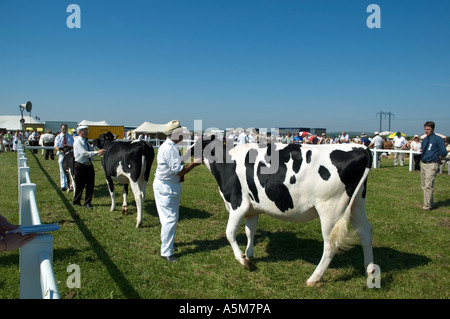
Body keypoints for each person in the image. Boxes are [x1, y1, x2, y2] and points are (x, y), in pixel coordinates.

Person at [153, 120, 201, 262]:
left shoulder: (171, 146)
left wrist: (187, 155)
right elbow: (179, 171)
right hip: (167, 187)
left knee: (167, 219)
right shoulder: (170, 148)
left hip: (167, 185)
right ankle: (166, 251)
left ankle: (168, 245)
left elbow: (177, 163)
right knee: (170, 219)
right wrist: (195, 163)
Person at [72, 126, 105, 209]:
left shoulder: (85, 141)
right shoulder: (78, 142)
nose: (87, 132)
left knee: (90, 184)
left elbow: (89, 150)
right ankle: (77, 201)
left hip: (88, 164)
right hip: (80, 164)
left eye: (87, 131)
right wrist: (97, 152)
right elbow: (83, 153)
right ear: (79, 132)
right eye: (85, 131)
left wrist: (95, 148)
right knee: (80, 184)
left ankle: (87, 202)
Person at [420, 121, 448, 211]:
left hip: (432, 164)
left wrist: (437, 158)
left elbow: (444, 152)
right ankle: (430, 203)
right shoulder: (425, 140)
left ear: (432, 129)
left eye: (428, 129)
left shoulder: (438, 139)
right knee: (424, 185)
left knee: (428, 185)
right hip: (424, 163)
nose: (426, 131)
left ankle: (427, 206)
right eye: (425, 129)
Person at [54, 124, 74, 191]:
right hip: (62, 154)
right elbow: (56, 146)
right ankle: (63, 185)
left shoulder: (70, 137)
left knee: (71, 169)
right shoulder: (58, 137)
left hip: (69, 153)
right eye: (63, 129)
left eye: (65, 129)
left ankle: (71, 184)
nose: (64, 130)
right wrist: (60, 150)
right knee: (62, 169)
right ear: (61, 129)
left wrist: (68, 146)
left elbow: (73, 145)